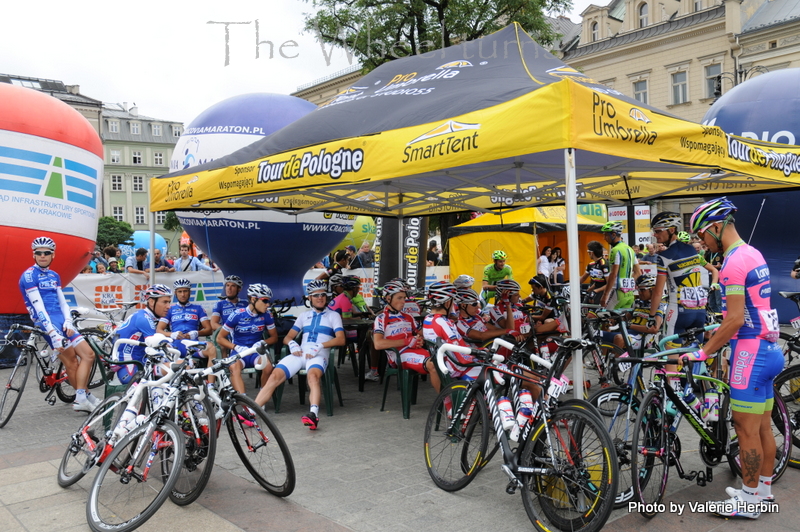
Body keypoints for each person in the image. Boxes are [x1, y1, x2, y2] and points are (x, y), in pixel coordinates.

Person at [687, 197, 783, 519]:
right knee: (764, 429)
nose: (703, 243)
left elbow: (736, 320)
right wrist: (723, 324)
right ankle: (763, 492)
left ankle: (748, 498)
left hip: (750, 354)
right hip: (770, 350)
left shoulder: (731, 263)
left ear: (715, 226)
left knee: (745, 431)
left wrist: (703, 352)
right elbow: (748, 311)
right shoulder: (752, 253)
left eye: (703, 236)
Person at [20, 236, 99, 412]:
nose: (42, 256)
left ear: (52, 255)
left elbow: (62, 302)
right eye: (38, 253)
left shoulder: (54, 275)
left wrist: (69, 321)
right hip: (46, 322)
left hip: (61, 320)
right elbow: (39, 307)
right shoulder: (28, 276)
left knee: (88, 355)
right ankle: (82, 398)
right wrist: (53, 334)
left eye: (46, 253)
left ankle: (81, 396)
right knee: (72, 362)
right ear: (33, 255)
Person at [254, 280, 346, 430]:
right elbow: (287, 337)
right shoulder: (304, 316)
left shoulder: (333, 315)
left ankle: (313, 415)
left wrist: (321, 345)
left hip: (318, 355)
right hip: (300, 354)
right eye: (316, 295)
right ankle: (252, 411)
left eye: (323, 294)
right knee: (274, 375)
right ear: (310, 298)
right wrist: (292, 343)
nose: (320, 298)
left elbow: (341, 339)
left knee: (313, 377)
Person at [649, 211, 718, 346]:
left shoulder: (664, 256)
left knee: (671, 358)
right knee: (696, 358)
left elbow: (658, 292)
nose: (655, 235)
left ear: (671, 230)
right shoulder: (692, 250)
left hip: (679, 312)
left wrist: (652, 316)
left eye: (658, 231)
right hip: (699, 311)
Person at [371, 280, 440, 392]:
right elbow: (378, 344)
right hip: (397, 356)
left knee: (444, 361)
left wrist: (436, 323)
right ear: (388, 298)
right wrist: (407, 341)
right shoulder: (381, 318)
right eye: (399, 298)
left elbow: (421, 333)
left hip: (414, 351)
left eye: (404, 298)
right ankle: (448, 404)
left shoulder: (408, 317)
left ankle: (453, 398)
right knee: (433, 365)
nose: (404, 301)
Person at [216, 284, 278, 395]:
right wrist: (236, 347)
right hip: (239, 352)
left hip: (256, 352)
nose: (268, 305)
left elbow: (274, 337)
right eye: (264, 301)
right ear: (253, 299)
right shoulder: (237, 315)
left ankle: (261, 398)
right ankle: (244, 403)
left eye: (269, 301)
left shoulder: (267, 315)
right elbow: (219, 338)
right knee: (234, 367)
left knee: (268, 366)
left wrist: (262, 342)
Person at [422, 281, 483, 382]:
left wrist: (478, 351)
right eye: (453, 301)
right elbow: (462, 358)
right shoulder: (443, 323)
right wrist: (478, 355)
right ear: (447, 303)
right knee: (503, 372)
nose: (454, 305)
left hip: (449, 365)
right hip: (458, 368)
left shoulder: (428, 318)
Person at [113, 284, 174, 386]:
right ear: (151, 302)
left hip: (137, 363)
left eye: (169, 302)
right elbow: (154, 348)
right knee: (177, 367)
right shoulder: (145, 319)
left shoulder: (143, 315)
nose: (168, 306)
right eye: (165, 302)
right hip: (132, 370)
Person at [156, 278, 215, 360]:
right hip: (175, 344)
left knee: (212, 348)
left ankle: (210, 373)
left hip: (193, 344)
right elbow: (159, 330)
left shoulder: (198, 308)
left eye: (185, 291)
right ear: (175, 293)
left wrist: (196, 333)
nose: (183, 294)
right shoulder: (169, 309)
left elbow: (209, 330)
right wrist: (171, 334)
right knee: (161, 350)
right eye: (180, 291)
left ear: (190, 292)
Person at [600, 221, 641, 310]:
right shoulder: (630, 249)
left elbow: (613, 274)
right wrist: (627, 285)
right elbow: (638, 272)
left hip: (617, 292)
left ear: (613, 234)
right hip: (629, 294)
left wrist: (605, 294)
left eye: (606, 235)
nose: (604, 238)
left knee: (604, 318)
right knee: (621, 322)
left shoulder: (615, 250)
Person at [579, 240, 609, 305]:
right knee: (584, 309)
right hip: (594, 291)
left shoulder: (604, 265)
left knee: (591, 314)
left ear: (592, 253)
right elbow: (583, 278)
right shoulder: (590, 265)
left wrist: (596, 291)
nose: (588, 254)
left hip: (603, 293)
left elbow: (610, 284)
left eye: (588, 252)